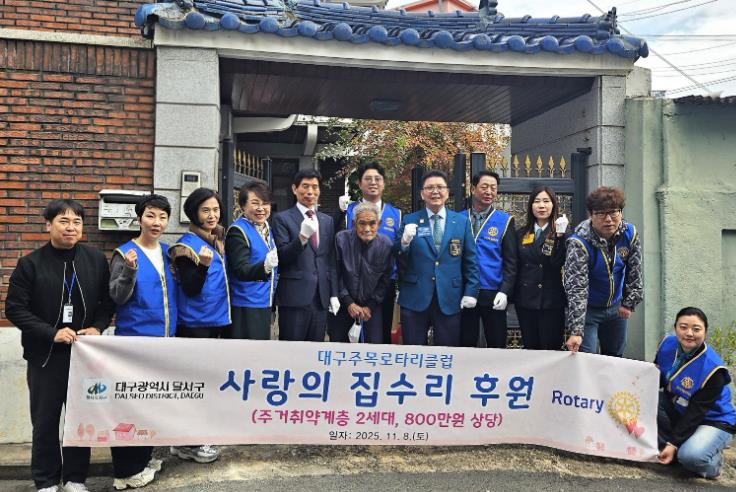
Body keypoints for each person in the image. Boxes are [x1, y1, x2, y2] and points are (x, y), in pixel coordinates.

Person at [5, 199, 114, 492]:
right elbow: (14, 308)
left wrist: (98, 327)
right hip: (46, 356)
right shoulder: (30, 264)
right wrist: (50, 333)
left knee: (80, 419)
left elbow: (106, 302)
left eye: (77, 222)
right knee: (45, 422)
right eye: (63, 221)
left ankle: (75, 479)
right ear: (48, 225)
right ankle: (47, 481)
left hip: (84, 355)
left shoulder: (95, 259)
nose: (71, 227)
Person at [107, 194, 176, 489]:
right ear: (139, 219)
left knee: (151, 405)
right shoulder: (124, 253)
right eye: (150, 215)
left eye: (162, 217)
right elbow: (116, 296)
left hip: (164, 342)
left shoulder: (169, 252)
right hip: (134, 342)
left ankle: (143, 460)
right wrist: (130, 271)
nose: (156, 222)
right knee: (131, 406)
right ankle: (125, 471)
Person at [168, 187, 228, 464]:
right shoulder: (186, 246)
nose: (212, 215)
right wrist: (203, 265)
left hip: (213, 321)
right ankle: (191, 442)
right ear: (194, 213)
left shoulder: (215, 240)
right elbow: (191, 288)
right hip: (195, 324)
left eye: (215, 209)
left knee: (205, 383)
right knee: (194, 386)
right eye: (205, 210)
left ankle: (187, 441)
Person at [395, 169, 479, 347]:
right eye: (430, 188)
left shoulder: (461, 222)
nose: (435, 191)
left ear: (447, 192)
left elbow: (470, 261)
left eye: (440, 187)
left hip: (450, 298)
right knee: (414, 353)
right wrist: (404, 242)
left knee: (447, 353)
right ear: (422, 194)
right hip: (415, 297)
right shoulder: (410, 220)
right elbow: (398, 258)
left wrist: (470, 292)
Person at [656, 307, 735, 478]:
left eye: (696, 329)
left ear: (705, 332)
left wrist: (673, 443)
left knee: (690, 457)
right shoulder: (667, 345)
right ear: (675, 327)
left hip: (713, 420)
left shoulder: (714, 369)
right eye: (683, 327)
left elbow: (696, 412)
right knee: (649, 400)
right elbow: (657, 378)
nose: (689, 333)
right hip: (680, 409)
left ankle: (714, 463)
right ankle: (675, 449)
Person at [563, 186, 642, 357]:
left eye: (613, 212)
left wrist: (629, 302)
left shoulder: (630, 234)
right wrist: (576, 330)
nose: (608, 219)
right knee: (587, 357)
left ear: (621, 212)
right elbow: (577, 288)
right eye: (600, 214)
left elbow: (635, 272)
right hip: (588, 310)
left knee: (615, 356)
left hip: (616, 307)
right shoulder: (579, 243)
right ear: (591, 215)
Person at [335, 162, 401, 344]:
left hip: (382, 287)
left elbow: (398, 252)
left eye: (377, 179)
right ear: (360, 183)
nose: (373, 182)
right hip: (349, 286)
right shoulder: (348, 211)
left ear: (384, 183)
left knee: (379, 338)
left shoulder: (396, 214)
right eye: (368, 179)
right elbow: (336, 256)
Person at [272, 169, 339, 341]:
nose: (310, 191)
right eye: (305, 186)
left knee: (315, 350)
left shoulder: (326, 221)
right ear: (295, 189)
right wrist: (301, 238)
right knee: (291, 350)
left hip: (320, 297)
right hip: (294, 297)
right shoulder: (282, 219)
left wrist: (333, 293)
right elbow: (282, 257)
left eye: (315, 187)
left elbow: (330, 260)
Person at [459, 171, 517, 349]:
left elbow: (511, 261)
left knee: (497, 344)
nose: (489, 191)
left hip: (493, 292)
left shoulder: (504, 220)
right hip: (463, 291)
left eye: (493, 188)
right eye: (484, 187)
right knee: (465, 343)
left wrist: (505, 291)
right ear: (472, 189)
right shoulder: (458, 218)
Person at [514, 186, 569, 350]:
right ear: (531, 205)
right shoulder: (521, 233)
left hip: (550, 301)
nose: (541, 206)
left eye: (546, 201)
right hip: (526, 300)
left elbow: (557, 262)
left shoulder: (561, 233)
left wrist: (560, 236)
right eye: (537, 201)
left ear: (553, 205)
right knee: (530, 349)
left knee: (550, 349)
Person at [330, 202, 394, 343]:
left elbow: (385, 280)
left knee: (373, 347)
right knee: (339, 347)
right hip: (343, 305)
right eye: (362, 223)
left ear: (379, 224)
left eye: (372, 223)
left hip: (371, 308)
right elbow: (336, 273)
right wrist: (348, 302)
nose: (367, 229)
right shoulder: (341, 240)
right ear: (354, 224)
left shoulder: (386, 245)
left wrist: (370, 306)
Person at [225, 180, 278, 340]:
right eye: (255, 203)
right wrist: (265, 267)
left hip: (264, 302)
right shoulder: (238, 231)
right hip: (245, 305)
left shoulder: (266, 229)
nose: (261, 208)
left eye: (265, 203)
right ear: (243, 206)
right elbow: (240, 269)